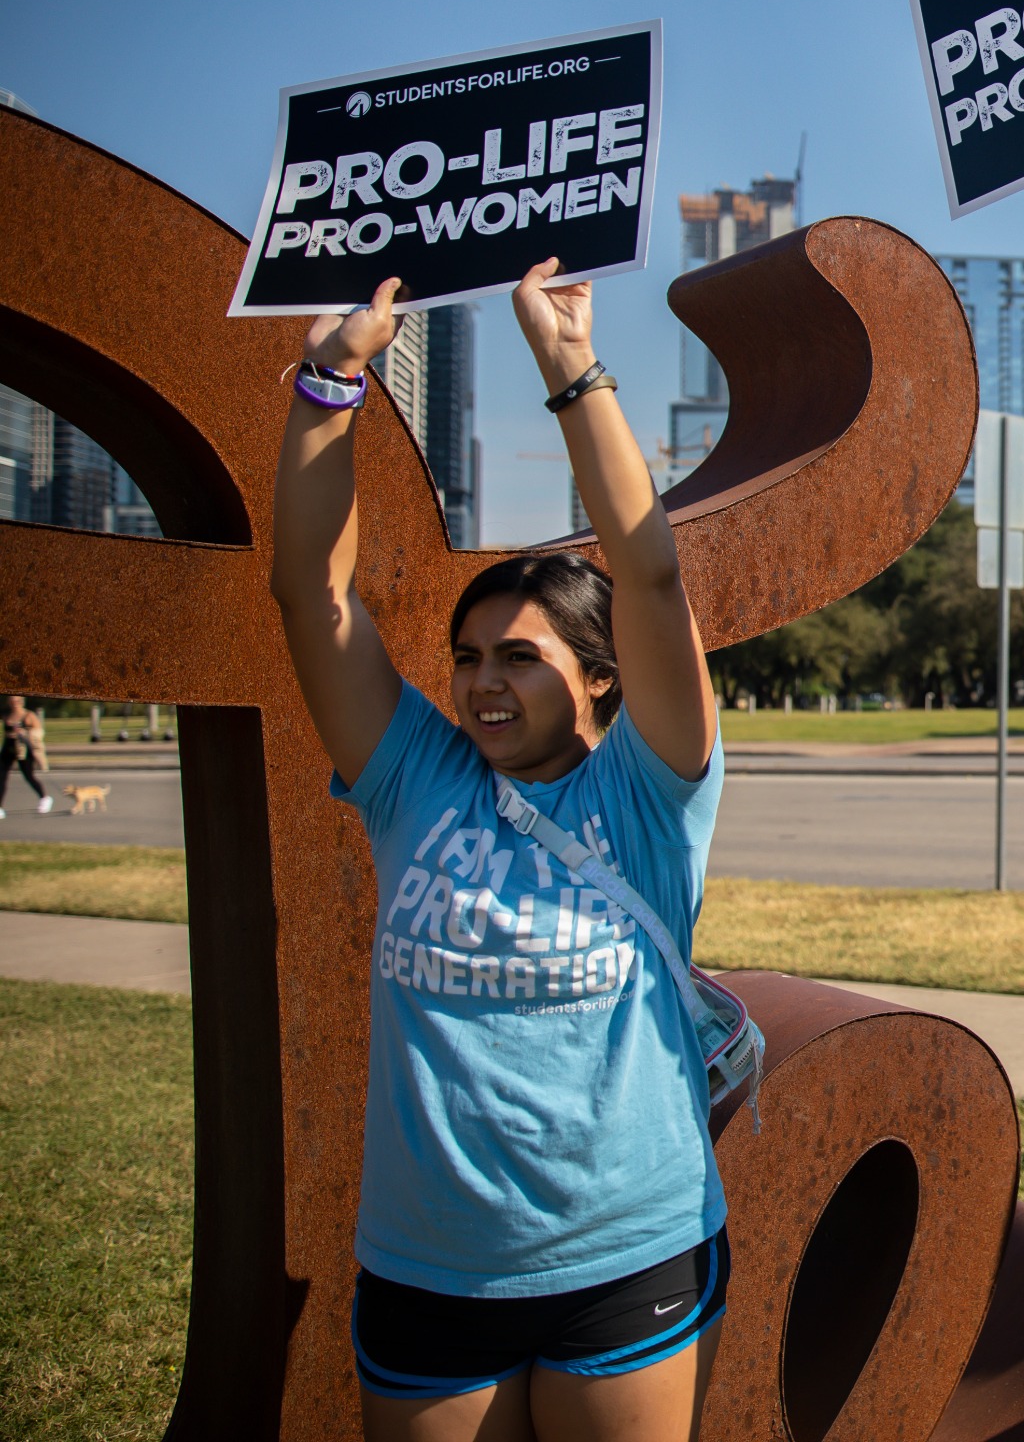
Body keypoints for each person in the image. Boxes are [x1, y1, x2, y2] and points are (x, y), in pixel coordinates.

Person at [271, 263, 729, 1441]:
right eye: (469, 656)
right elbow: (312, 595)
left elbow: (652, 571)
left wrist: (569, 364)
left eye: (520, 657)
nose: (481, 682)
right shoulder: (417, 779)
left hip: (627, 1250)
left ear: (601, 678)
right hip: (433, 1265)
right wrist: (331, 379)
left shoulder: (648, 794)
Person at [0, 696, 49, 817]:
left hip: (23, 749)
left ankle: (44, 798)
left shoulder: (28, 715)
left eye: (17, 701)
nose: (14, 703)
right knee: (1, 777)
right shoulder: (7, 715)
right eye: (12, 701)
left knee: (28, 776)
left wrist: (24, 732)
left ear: (22, 701)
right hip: (8, 748)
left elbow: (39, 732)